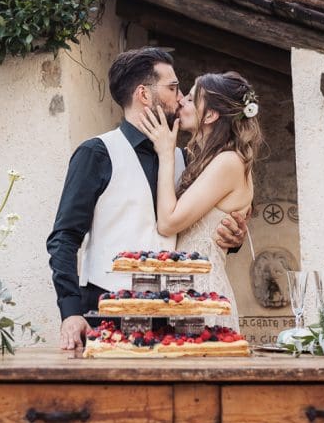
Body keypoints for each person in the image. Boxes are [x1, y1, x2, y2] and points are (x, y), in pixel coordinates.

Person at [47, 48, 249, 350]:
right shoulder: (96, 153)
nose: (180, 98)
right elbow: (64, 237)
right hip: (107, 310)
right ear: (143, 94)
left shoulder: (185, 159)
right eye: (173, 88)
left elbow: (201, 223)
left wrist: (233, 239)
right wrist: (70, 311)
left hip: (175, 315)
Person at [136, 72, 264, 330]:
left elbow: (168, 223)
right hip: (183, 294)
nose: (181, 100)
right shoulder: (208, 159)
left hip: (203, 296)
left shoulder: (229, 162)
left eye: (191, 98)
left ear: (210, 115)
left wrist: (165, 154)